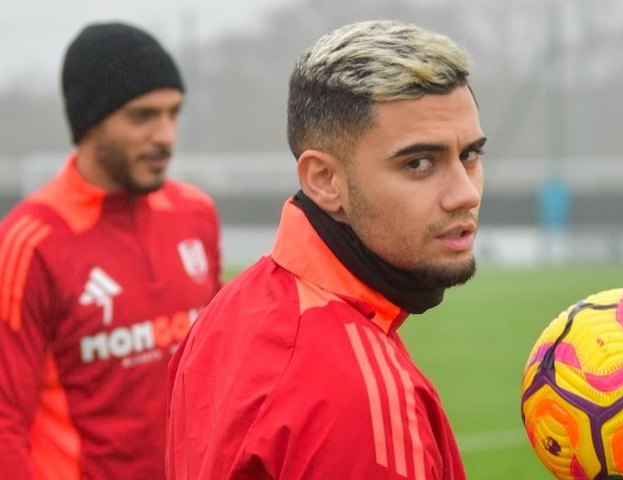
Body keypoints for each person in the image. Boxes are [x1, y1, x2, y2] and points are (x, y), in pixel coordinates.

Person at [167, 19, 485, 479]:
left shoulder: (230, 310)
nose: (465, 193)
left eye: (470, 155)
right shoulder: (364, 394)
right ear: (323, 180)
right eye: (419, 163)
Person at [0, 22, 221, 479]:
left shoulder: (195, 214)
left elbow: (216, 371)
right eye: (142, 116)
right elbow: (5, 422)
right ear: (90, 123)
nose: (165, 135)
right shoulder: (30, 242)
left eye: (173, 113)